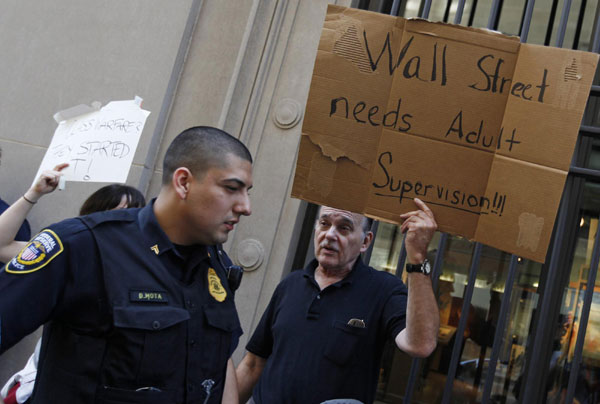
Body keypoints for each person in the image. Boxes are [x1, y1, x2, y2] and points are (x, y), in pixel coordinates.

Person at [0, 126, 253, 403]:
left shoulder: (217, 265)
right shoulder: (81, 245)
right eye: (231, 188)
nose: (245, 206)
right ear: (183, 182)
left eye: (247, 192)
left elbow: (220, 366)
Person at [236, 199, 440, 404]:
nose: (330, 234)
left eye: (344, 228)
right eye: (324, 224)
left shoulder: (383, 290)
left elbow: (420, 345)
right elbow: (253, 363)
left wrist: (417, 257)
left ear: (365, 242)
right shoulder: (290, 284)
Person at [0, 170, 146, 404]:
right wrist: (34, 194)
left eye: (133, 216)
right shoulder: (67, 252)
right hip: (46, 387)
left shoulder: (148, 269)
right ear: (91, 216)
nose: (123, 224)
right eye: (114, 215)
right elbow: (1, 245)